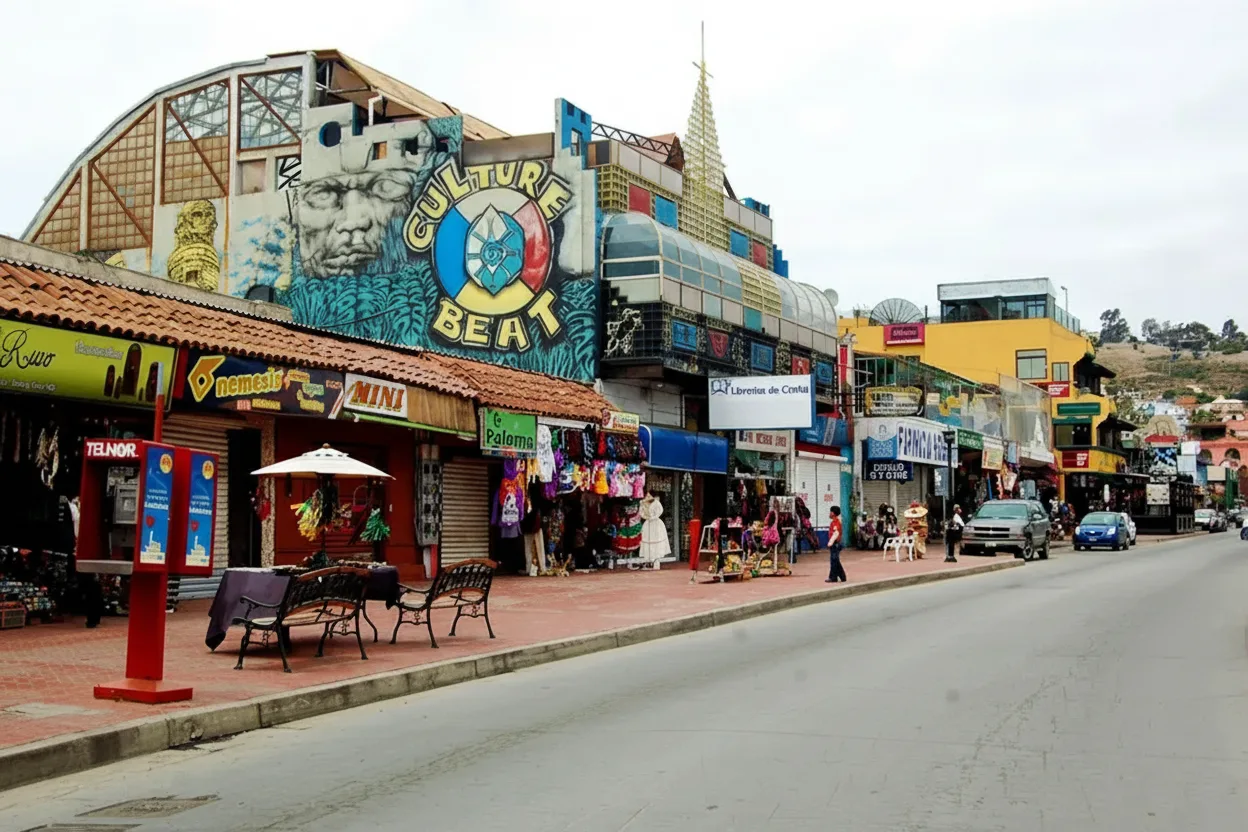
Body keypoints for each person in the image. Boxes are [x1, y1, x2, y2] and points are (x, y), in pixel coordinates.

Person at [826, 506, 847, 583]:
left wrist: (830, 543)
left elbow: (836, 534)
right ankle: (842, 576)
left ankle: (833, 577)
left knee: (834, 561)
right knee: (835, 561)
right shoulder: (834, 522)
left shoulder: (836, 523)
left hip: (835, 544)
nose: (829, 513)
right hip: (834, 544)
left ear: (833, 513)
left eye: (831, 512)